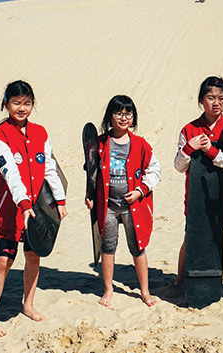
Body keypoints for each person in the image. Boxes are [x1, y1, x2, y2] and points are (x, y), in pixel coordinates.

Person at [0, 80, 68, 339]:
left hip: (37, 209)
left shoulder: (41, 133)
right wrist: (23, 204)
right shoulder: (0, 137)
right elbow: (10, 174)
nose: (22, 108)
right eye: (16, 103)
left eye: (27, 103)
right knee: (4, 261)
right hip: (12, 209)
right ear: (6, 104)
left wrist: (59, 200)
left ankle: (28, 304)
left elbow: (50, 167)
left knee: (33, 256)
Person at [85, 95, 161, 307]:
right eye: (119, 113)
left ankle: (145, 291)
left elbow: (155, 170)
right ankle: (108, 290)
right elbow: (91, 173)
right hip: (108, 207)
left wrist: (140, 190)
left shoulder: (140, 144)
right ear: (111, 116)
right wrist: (89, 195)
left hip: (132, 207)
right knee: (108, 247)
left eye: (128, 113)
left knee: (137, 247)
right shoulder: (100, 143)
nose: (124, 117)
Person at [173, 76, 223, 289]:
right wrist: (189, 148)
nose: (216, 102)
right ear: (201, 100)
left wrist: (210, 150)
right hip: (197, 201)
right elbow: (179, 166)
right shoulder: (189, 129)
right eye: (211, 97)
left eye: (221, 98)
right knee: (190, 241)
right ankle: (180, 282)